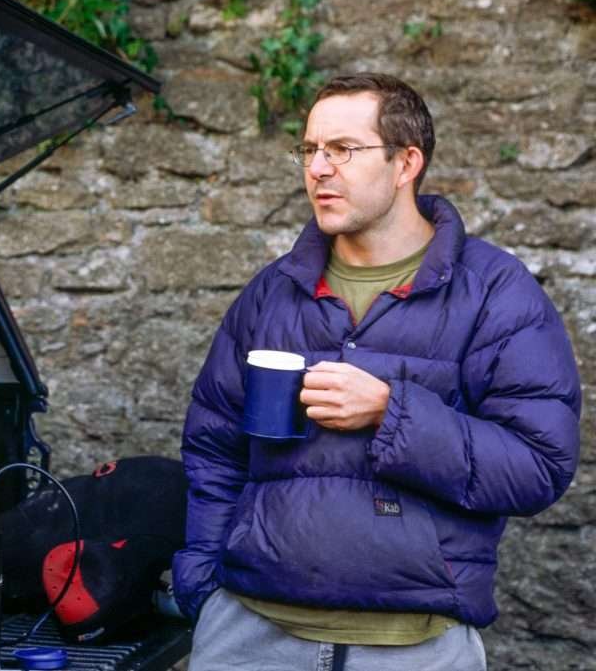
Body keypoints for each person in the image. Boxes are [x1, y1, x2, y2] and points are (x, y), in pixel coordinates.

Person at [173, 73, 581, 671]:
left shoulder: (495, 292)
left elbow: (539, 465)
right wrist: (204, 590)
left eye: (343, 149)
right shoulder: (273, 292)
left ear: (405, 162)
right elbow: (212, 450)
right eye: (310, 150)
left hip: (414, 643)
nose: (318, 169)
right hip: (248, 632)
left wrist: (395, 413)